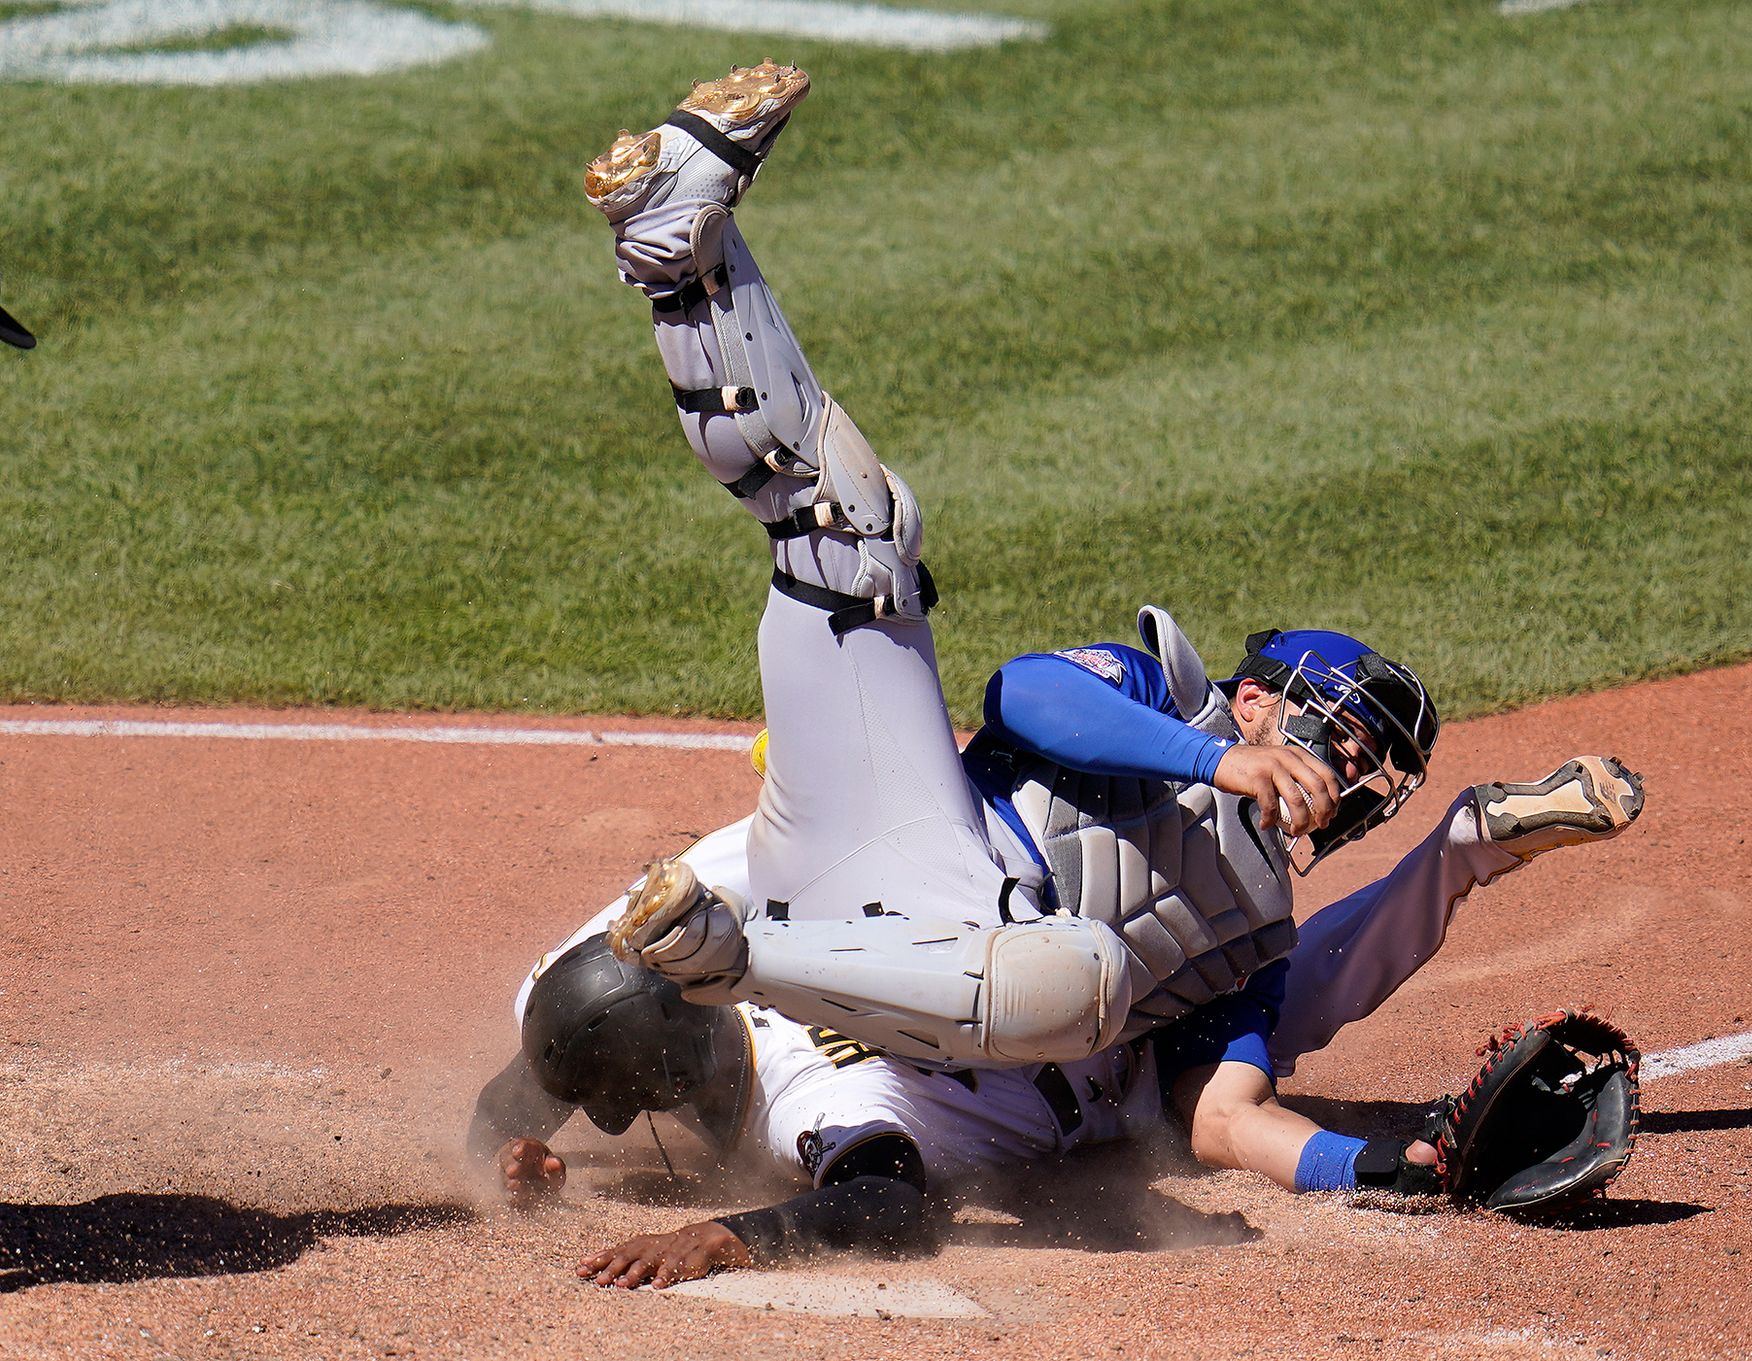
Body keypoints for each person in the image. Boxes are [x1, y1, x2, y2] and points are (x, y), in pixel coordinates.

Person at [580, 61, 1645, 1076]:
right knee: (861, 531)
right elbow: (1021, 693)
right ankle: (678, 252)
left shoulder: (1254, 927)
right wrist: (1210, 760)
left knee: (1082, 979)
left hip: (919, 1009)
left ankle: (722, 958)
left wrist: (1463, 847)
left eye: (1376, 770)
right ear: (1262, 699)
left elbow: (1287, 1028)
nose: (1354, 774)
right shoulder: (1162, 696)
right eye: (1347, 733)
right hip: (894, 836)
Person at [471, 752, 1645, 1290]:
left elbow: (881, 1199)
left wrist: (725, 1236)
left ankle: (1416, 1150)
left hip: (1119, 1067)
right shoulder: (742, 960)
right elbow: (556, 1053)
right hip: (1061, 941)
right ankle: (1460, 844)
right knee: (1273, 982)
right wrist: (512, 1148)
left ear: (653, 1085)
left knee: (1248, 1076)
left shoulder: (806, 1105)